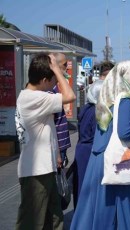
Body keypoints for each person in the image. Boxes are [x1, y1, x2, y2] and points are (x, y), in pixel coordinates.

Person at [70, 61, 130, 230]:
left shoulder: (108, 96)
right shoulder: (126, 99)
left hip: (100, 157)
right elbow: (124, 132)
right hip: (118, 161)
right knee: (125, 209)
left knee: (98, 210)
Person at [15, 53, 76, 230]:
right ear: (43, 80)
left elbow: (48, 128)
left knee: (54, 219)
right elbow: (70, 95)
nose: (55, 84)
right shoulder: (35, 98)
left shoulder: (31, 96)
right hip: (36, 172)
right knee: (31, 223)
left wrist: (56, 153)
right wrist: (57, 69)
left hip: (44, 168)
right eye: (53, 81)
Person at [72, 80, 103, 208]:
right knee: (89, 189)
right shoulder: (97, 111)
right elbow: (98, 135)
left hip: (81, 149)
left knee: (80, 187)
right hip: (90, 151)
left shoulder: (86, 108)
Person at [50, 53, 72, 168]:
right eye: (64, 64)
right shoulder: (51, 91)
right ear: (56, 66)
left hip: (61, 146)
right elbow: (51, 125)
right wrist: (57, 152)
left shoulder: (55, 88)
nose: (67, 67)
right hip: (57, 147)